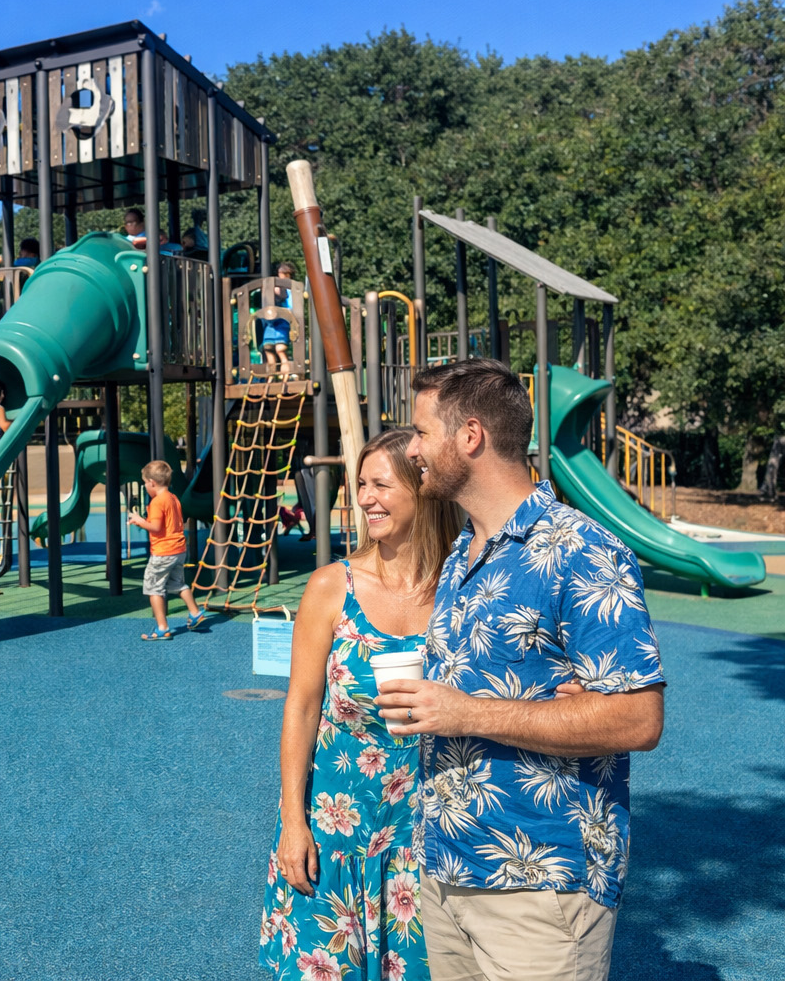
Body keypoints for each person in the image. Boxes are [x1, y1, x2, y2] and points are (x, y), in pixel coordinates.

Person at [377, 360, 665, 981]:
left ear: (470, 436)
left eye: (422, 433)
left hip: (540, 880)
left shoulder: (580, 550)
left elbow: (639, 717)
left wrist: (466, 712)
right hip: (449, 871)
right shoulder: (465, 550)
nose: (413, 450)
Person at [261, 428, 460, 979]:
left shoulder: (462, 588)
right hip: (334, 825)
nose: (366, 498)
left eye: (382, 484)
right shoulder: (332, 586)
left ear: (424, 490)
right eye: (361, 484)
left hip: (428, 829)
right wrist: (292, 823)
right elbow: (300, 708)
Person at [127, 460, 208, 640]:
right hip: (179, 550)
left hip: (163, 552)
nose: (145, 486)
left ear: (152, 483)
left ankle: (162, 627)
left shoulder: (157, 502)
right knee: (178, 584)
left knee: (154, 588)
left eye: (145, 483)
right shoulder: (173, 498)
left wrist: (139, 520)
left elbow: (155, 527)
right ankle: (195, 612)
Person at [260, 262, 297, 376]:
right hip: (270, 324)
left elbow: (290, 306)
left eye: (284, 274)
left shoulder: (290, 290)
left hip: (282, 323)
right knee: (268, 348)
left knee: (280, 349)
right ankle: (270, 377)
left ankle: (285, 374)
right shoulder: (272, 288)